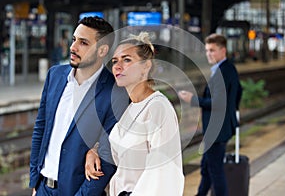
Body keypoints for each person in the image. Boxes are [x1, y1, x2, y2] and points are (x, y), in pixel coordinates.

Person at [29, 16, 128, 196]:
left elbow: (108, 157)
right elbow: (40, 128)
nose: (73, 47)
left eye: (83, 43)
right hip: (43, 187)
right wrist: (35, 181)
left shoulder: (116, 93)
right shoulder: (55, 76)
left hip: (77, 192)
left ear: (102, 50)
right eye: (74, 39)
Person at [85, 32, 185, 196]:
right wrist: (94, 151)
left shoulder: (158, 108)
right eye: (115, 61)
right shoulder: (130, 108)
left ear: (146, 66)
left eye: (127, 60)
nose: (117, 66)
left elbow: (165, 173)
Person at [178, 33, 242, 196]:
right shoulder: (226, 68)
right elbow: (238, 93)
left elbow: (219, 103)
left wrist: (192, 99)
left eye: (212, 50)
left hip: (217, 131)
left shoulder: (223, 71)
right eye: (207, 50)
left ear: (223, 50)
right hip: (218, 129)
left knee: (215, 171)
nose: (209, 54)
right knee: (207, 168)